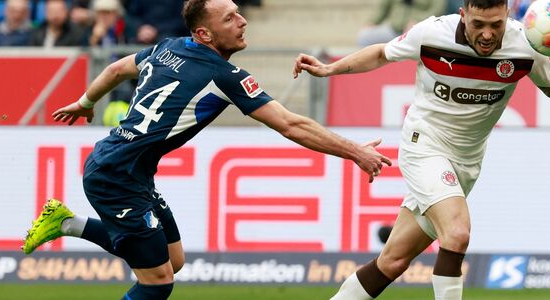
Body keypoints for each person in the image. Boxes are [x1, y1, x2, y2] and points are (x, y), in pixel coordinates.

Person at [21, 0, 392, 299]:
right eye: (230, 18)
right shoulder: (224, 75)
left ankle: (67, 222)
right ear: (204, 33)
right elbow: (291, 124)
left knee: (173, 260)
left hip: (130, 170)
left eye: (239, 12)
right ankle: (69, 224)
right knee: (158, 282)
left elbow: (118, 68)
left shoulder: (168, 47)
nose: (243, 21)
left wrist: (86, 101)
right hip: (114, 177)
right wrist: (355, 151)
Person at [293, 0, 550, 299]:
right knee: (458, 233)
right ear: (463, 16)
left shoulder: (525, 44)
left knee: (393, 261)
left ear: (507, 16)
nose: (488, 34)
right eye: (478, 24)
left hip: (467, 162)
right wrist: (329, 68)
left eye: (496, 25)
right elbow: (381, 54)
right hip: (424, 145)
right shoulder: (432, 34)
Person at [358, 0, 447, 47]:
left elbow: (438, 10)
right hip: (394, 30)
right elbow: (383, 8)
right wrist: (372, 22)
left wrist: (418, 21)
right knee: (365, 37)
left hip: (419, 32)